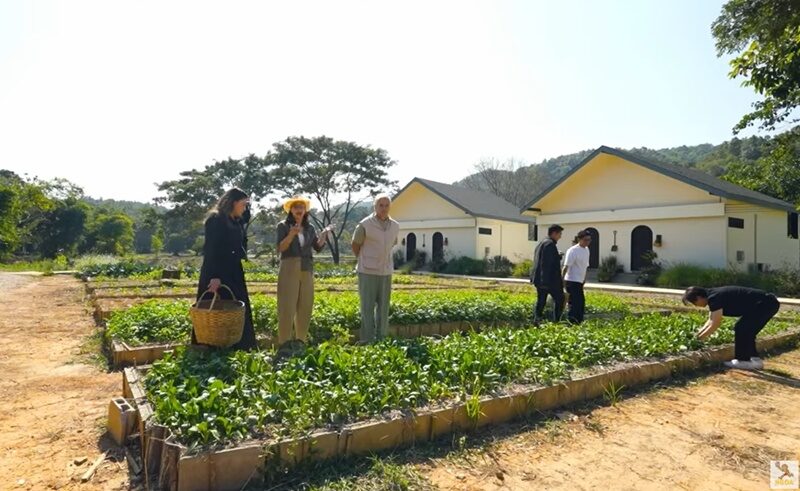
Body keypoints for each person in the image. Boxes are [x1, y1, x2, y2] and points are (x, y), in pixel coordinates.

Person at [193, 187, 258, 350]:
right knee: (213, 307)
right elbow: (212, 250)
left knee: (237, 307)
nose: (245, 208)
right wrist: (215, 277)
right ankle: (210, 347)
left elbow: (240, 244)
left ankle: (239, 345)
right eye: (243, 204)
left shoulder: (236, 221)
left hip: (233, 270)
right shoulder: (215, 220)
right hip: (216, 269)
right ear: (234, 203)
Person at [276, 196, 331, 348]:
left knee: (305, 305)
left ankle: (301, 341)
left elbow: (317, 247)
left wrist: (324, 234)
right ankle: (284, 343)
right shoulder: (283, 226)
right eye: (296, 207)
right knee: (287, 306)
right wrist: (291, 235)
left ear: (305, 210)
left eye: (301, 207)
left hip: (306, 268)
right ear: (291, 210)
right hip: (289, 267)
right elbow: (280, 248)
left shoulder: (310, 228)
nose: (299, 209)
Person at [683, 285, 780, 370]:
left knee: (741, 328)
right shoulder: (712, 296)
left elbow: (715, 324)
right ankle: (755, 360)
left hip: (765, 304)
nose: (696, 305)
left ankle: (743, 360)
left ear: (699, 297)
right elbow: (710, 321)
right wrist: (698, 335)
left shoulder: (714, 298)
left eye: (694, 303)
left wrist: (700, 339)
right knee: (746, 330)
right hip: (768, 303)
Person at [351, 194, 400, 342]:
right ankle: (366, 339)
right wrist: (364, 259)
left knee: (384, 308)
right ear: (375, 206)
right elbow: (355, 245)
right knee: (367, 307)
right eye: (381, 205)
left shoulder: (395, 226)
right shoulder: (364, 224)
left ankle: (382, 339)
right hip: (367, 271)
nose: (384, 208)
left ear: (390, 207)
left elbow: (393, 243)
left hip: (386, 270)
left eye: (386, 205)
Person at [530, 224, 565, 324]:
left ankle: (537, 321)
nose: (560, 236)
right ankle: (556, 321)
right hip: (549, 280)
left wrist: (557, 256)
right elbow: (546, 264)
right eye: (559, 234)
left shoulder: (542, 243)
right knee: (559, 299)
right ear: (554, 233)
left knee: (541, 301)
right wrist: (545, 282)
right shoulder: (550, 244)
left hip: (540, 279)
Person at [563, 230, 592, 324]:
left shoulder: (586, 250)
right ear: (579, 239)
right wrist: (562, 283)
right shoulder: (573, 251)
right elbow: (566, 267)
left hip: (579, 281)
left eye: (589, 240)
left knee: (580, 303)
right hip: (571, 280)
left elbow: (585, 266)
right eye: (585, 240)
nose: (587, 242)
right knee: (574, 304)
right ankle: (571, 322)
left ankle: (579, 321)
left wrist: (584, 279)